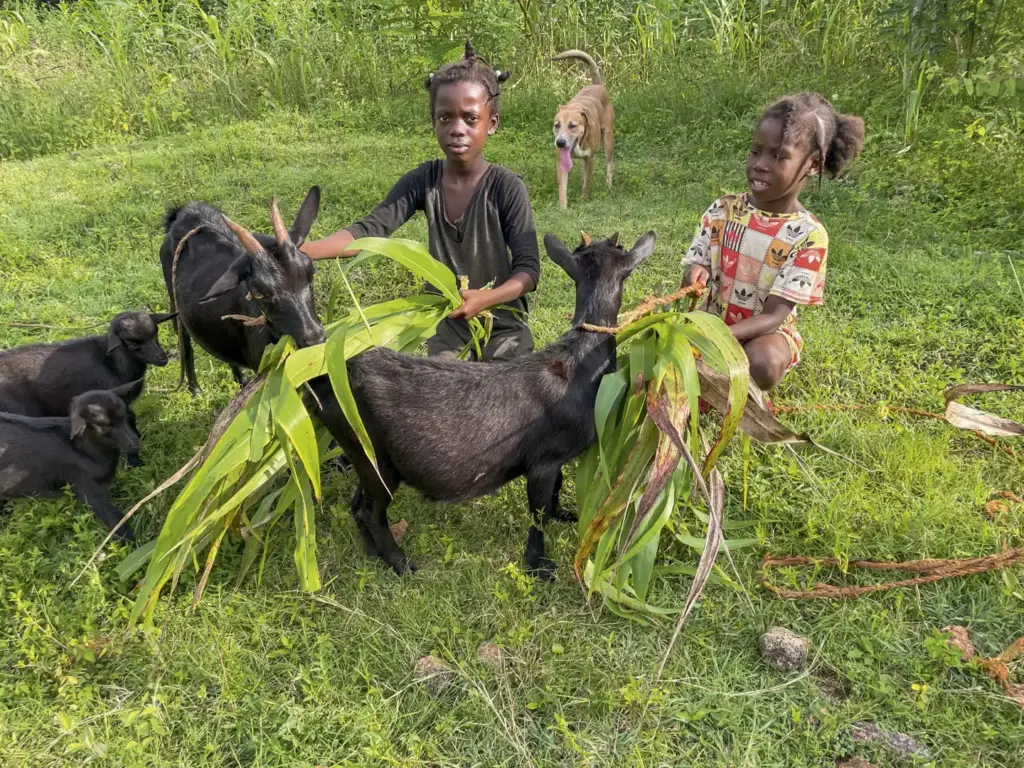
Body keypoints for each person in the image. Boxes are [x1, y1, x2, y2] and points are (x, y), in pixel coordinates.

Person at [302, 42, 539, 361]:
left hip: (504, 324)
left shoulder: (506, 187)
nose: (457, 129)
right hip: (449, 323)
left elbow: (528, 270)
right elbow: (369, 233)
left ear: (491, 123)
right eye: (445, 118)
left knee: (503, 398)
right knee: (439, 395)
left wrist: (487, 298)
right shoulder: (423, 182)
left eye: (470, 119)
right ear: (434, 122)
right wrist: (298, 251)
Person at [681, 92, 865, 390]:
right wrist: (694, 275)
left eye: (778, 156)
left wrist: (722, 338)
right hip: (709, 322)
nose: (761, 164)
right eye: (756, 152)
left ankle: (733, 387)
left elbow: (774, 315)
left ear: (813, 165)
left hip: (761, 335)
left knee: (765, 360)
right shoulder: (723, 210)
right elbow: (697, 263)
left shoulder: (808, 236)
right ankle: (710, 375)